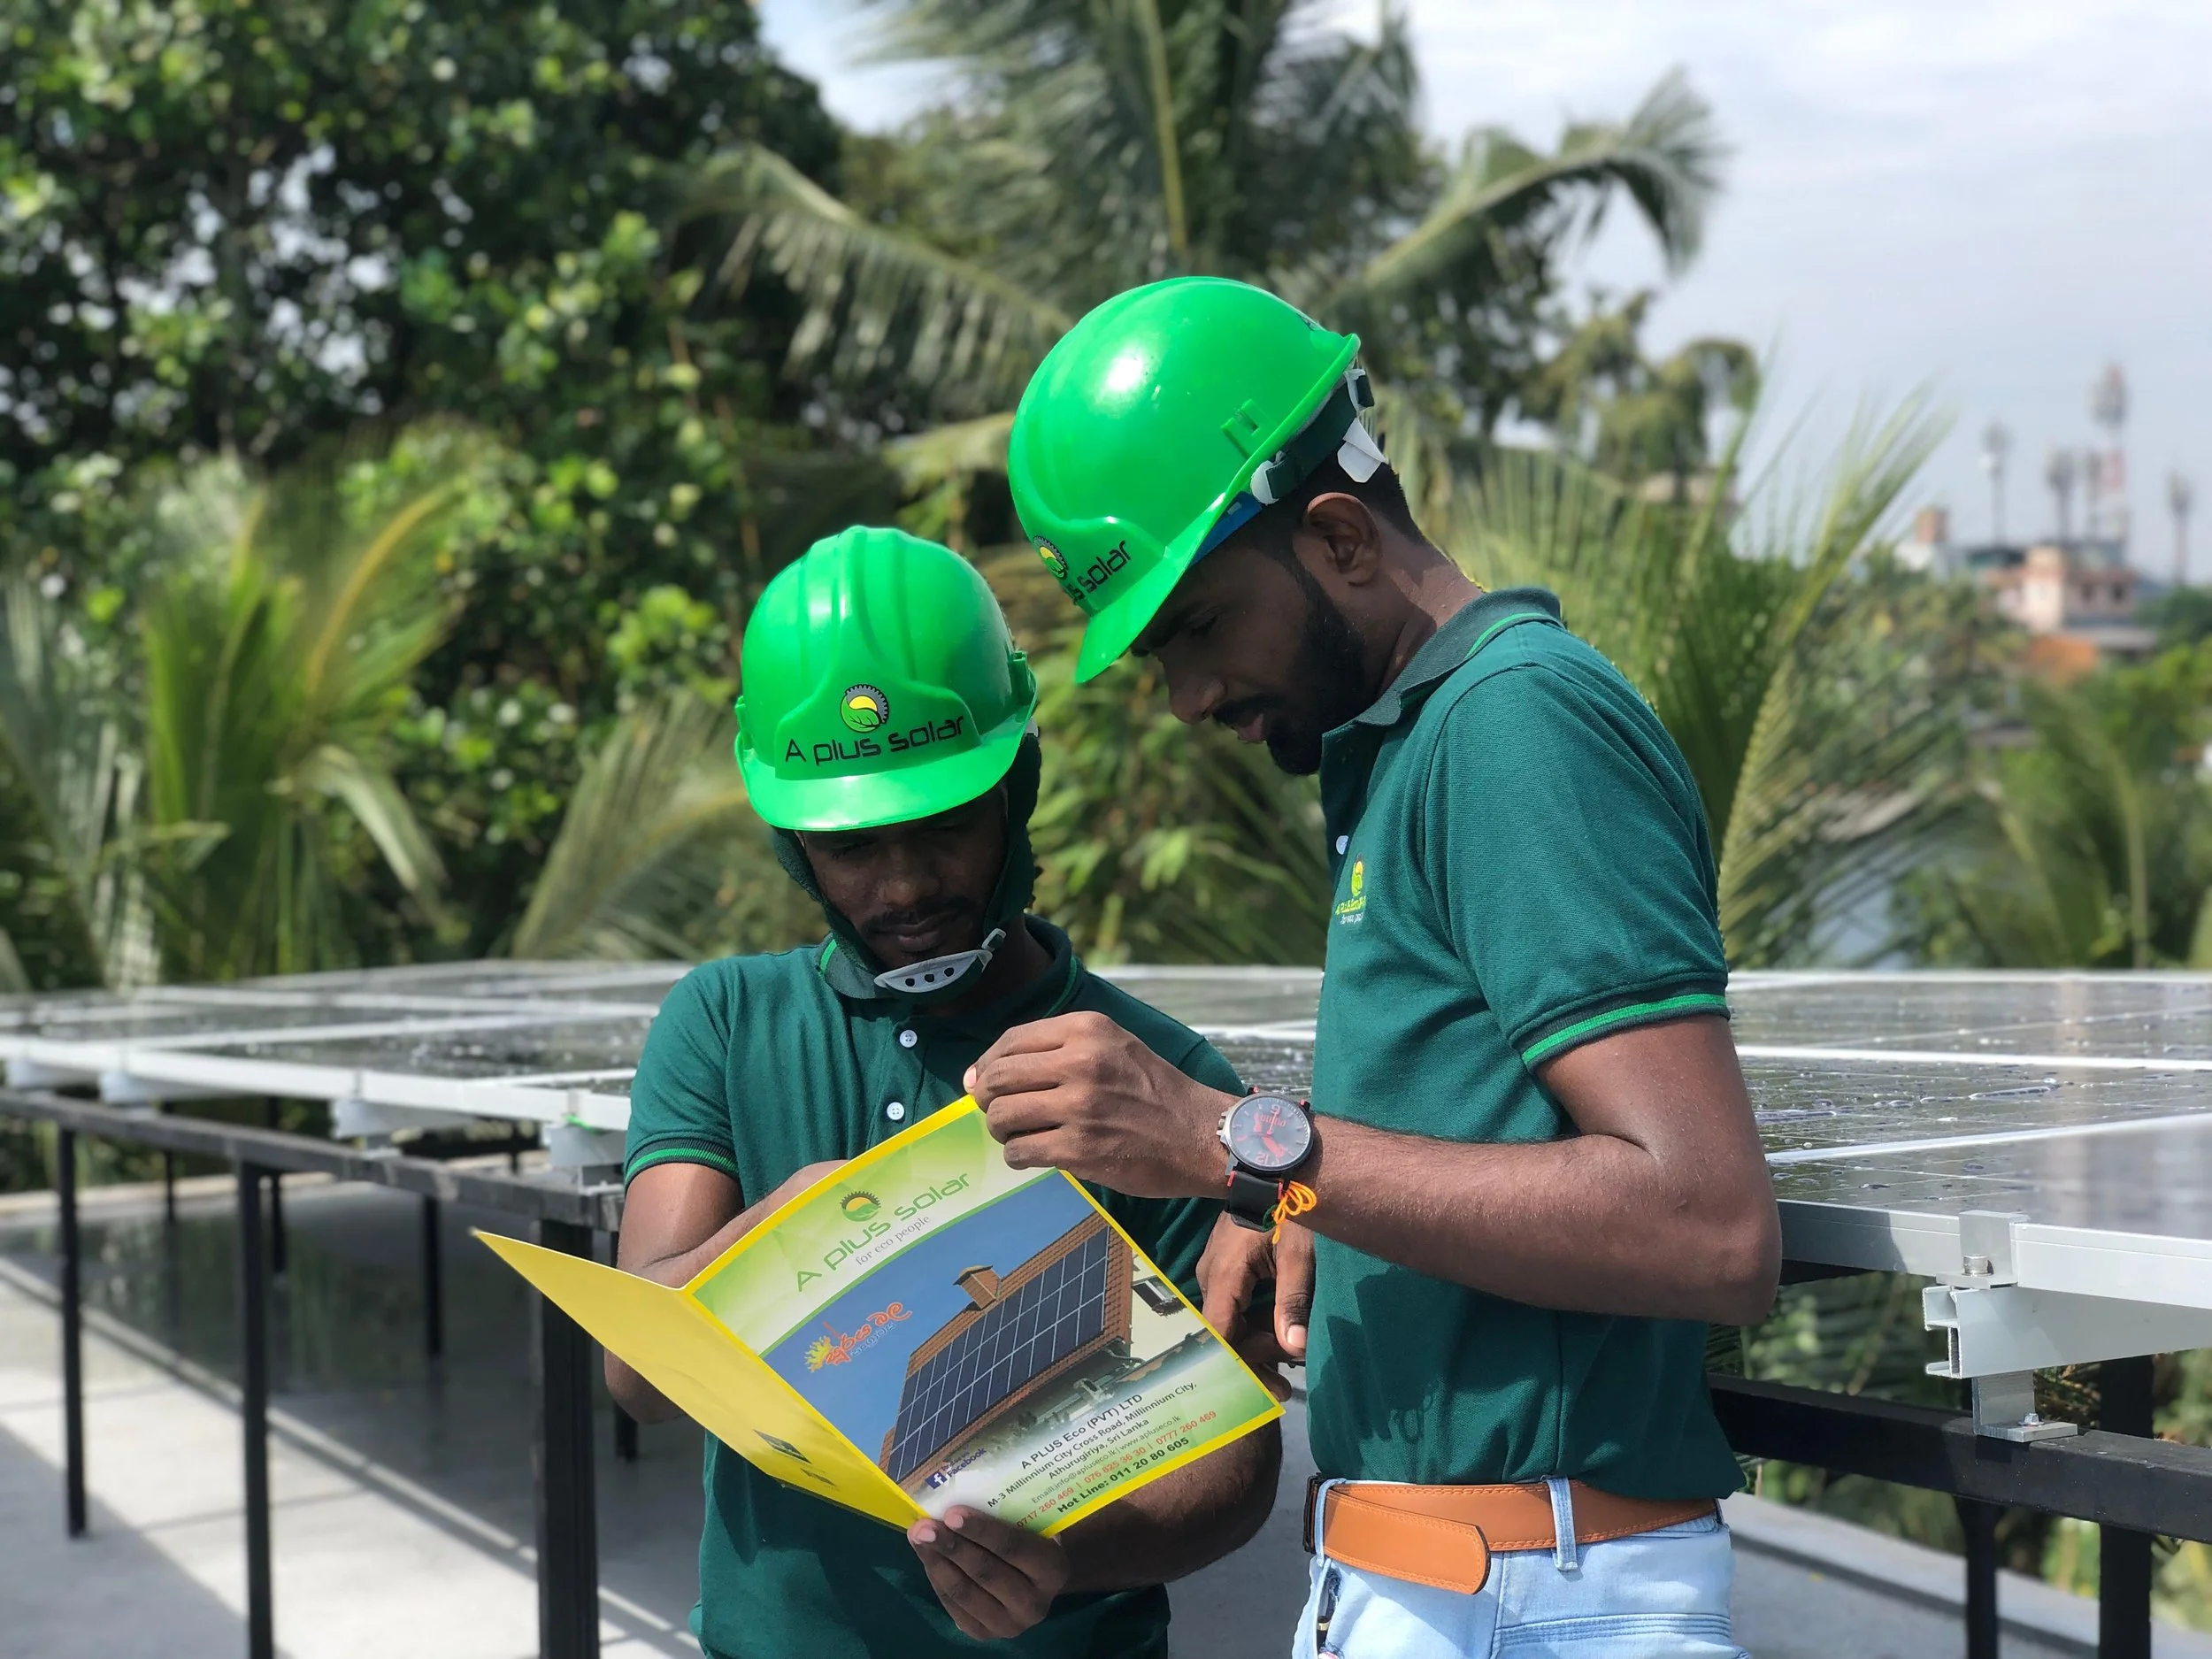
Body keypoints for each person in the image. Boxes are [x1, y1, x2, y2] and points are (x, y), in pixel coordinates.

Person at [967, 276, 1782, 1658]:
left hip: (1534, 1596)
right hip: (1464, 1580)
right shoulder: (1413, 751)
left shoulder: (1516, 725)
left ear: (1338, 535)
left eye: (1200, 627)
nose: (1186, 698)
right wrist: (1305, 1195)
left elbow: (1707, 1223)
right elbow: (1501, 1140)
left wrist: (1237, 1142)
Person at [608, 525, 1280, 1659]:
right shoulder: (724, 1024)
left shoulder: (1156, 1083)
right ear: (790, 842)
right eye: (852, 848)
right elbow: (637, 1377)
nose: (906, 883)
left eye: (947, 825)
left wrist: (1067, 1561)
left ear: (1017, 784)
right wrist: (791, 1227)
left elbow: (1235, 1467)